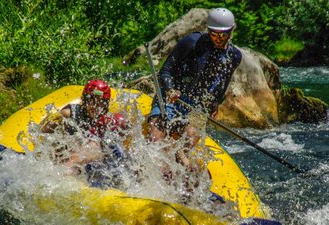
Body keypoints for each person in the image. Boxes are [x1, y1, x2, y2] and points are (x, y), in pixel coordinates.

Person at [147, 7, 242, 171]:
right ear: (208, 30)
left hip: (193, 104)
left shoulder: (233, 56)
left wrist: (214, 103)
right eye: (214, 33)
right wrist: (170, 89)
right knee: (156, 140)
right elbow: (166, 70)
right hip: (170, 97)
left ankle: (179, 161)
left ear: (231, 30)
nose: (218, 38)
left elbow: (222, 84)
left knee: (190, 139)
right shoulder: (192, 42)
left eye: (223, 34)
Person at [40, 80, 128, 182]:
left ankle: (66, 168)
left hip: (94, 159)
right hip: (72, 151)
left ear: (105, 105)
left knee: (95, 145)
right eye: (92, 101)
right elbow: (43, 133)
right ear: (85, 99)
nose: (96, 106)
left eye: (101, 103)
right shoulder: (68, 113)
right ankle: (63, 169)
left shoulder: (108, 121)